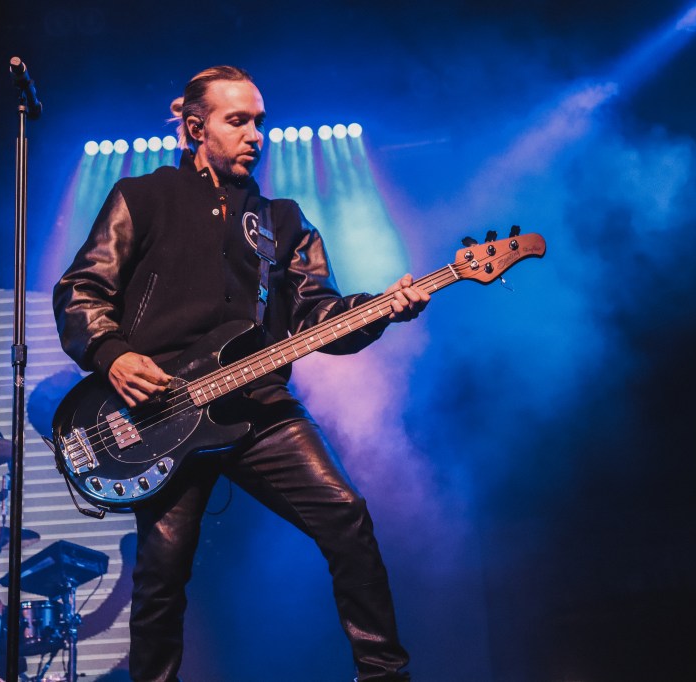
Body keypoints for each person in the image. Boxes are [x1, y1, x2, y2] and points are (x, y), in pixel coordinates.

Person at [53, 65, 428, 682]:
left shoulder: (283, 220)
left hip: (257, 402)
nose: (256, 134)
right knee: (162, 575)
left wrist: (380, 310)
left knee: (347, 516)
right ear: (196, 128)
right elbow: (82, 290)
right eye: (238, 121)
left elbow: (318, 317)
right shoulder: (142, 197)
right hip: (161, 412)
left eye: (260, 122)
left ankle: (385, 674)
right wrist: (112, 354)